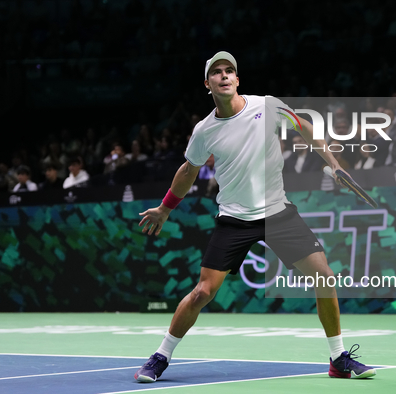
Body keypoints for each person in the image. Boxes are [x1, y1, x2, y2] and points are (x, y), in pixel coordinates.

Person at [134, 51, 376, 383]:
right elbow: (189, 170)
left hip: (278, 213)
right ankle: (161, 356)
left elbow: (303, 126)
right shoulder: (205, 130)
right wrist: (165, 207)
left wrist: (333, 163)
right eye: (217, 72)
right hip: (234, 219)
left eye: (229, 70)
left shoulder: (267, 106)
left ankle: (338, 358)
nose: (224, 75)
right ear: (208, 84)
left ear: (237, 79)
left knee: (325, 278)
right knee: (203, 292)